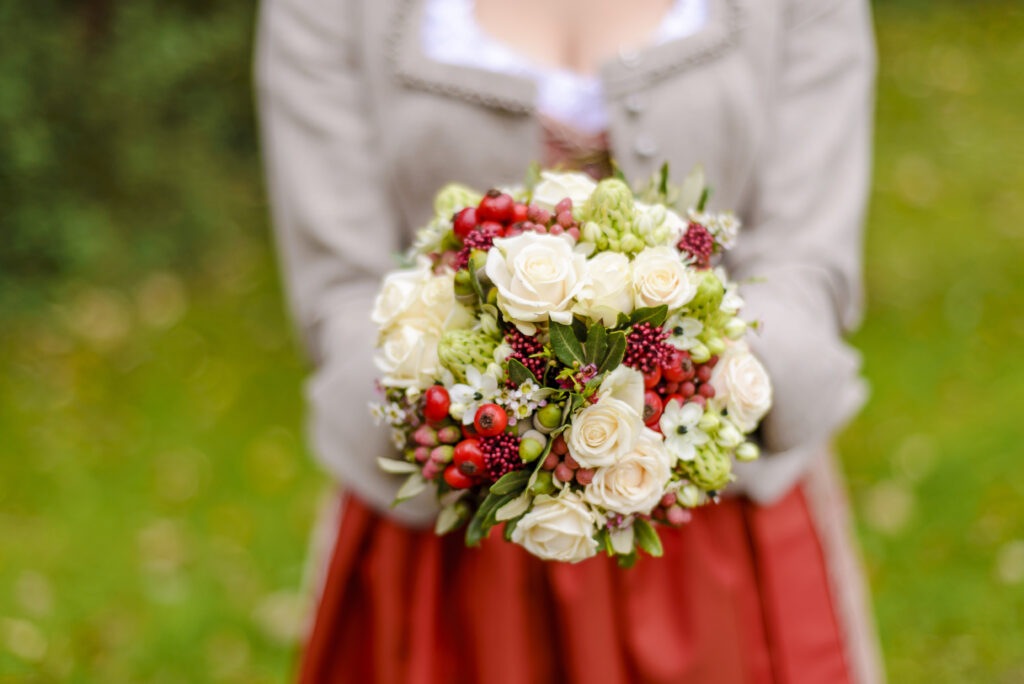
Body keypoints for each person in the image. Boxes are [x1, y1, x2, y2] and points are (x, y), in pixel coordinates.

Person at [255, 0, 883, 681]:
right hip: (452, 537)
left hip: (722, 523)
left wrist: (677, 404)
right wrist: (485, 420)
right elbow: (342, 289)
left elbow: (806, 261)